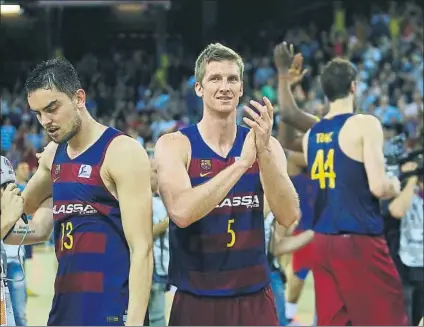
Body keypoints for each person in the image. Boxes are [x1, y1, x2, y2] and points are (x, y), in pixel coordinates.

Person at [155, 43, 300, 325]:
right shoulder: (175, 145)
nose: (225, 87)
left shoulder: (266, 145)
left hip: (254, 297)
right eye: (215, 79)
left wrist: (264, 154)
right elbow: (181, 212)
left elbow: (288, 215)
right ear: (199, 88)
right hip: (196, 299)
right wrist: (241, 164)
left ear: (242, 88)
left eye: (232, 79)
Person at [277, 43, 408, 325]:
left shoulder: (314, 134)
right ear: (354, 86)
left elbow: (287, 123)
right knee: (389, 317)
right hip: (359, 239)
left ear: (325, 92)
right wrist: (395, 184)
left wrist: (284, 80)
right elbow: (378, 186)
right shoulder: (365, 124)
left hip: (323, 242)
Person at [17, 57, 153, 326]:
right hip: (64, 309)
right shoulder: (54, 155)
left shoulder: (121, 151)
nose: (46, 121)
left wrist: (135, 322)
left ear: (79, 98)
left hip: (111, 309)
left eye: (52, 108)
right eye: (38, 113)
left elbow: (142, 249)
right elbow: (24, 207)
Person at [383, 161, 423, 326]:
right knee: (403, 317)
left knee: (416, 315)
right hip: (403, 266)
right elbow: (396, 211)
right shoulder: (407, 194)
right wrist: (412, 181)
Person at [148, 158, 170, 326]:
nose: (159, 176)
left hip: (161, 266)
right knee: (156, 317)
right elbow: (145, 234)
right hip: (150, 267)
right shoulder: (140, 200)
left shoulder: (159, 200)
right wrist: (170, 220)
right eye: (155, 172)